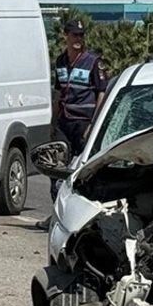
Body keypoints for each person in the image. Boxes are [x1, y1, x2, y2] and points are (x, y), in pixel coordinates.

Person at [37, 20, 108, 229]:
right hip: (63, 122)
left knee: (83, 169)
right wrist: (53, 121)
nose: (78, 39)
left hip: (83, 122)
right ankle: (56, 215)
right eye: (74, 35)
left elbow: (101, 93)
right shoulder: (60, 62)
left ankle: (83, 219)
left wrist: (93, 124)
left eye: (80, 35)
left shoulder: (94, 62)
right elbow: (58, 92)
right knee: (56, 167)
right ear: (65, 36)